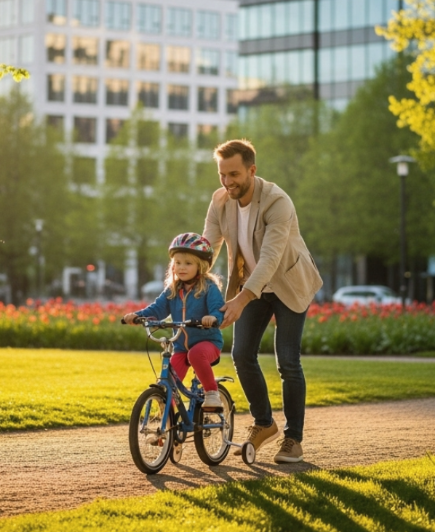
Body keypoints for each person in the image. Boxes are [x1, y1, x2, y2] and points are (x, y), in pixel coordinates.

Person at [203, 139, 322, 464]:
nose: (227, 181)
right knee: (242, 354)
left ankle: (293, 439)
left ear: (252, 170)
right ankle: (264, 422)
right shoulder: (220, 201)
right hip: (251, 284)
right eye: (222, 174)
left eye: (234, 174)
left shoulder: (277, 202)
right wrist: (187, 278)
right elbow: (207, 249)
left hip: (288, 283)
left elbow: (270, 259)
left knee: (288, 361)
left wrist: (240, 300)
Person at [123, 233, 225, 411]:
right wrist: (137, 316)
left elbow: (218, 308)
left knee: (195, 355)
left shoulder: (209, 287)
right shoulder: (173, 290)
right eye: (177, 263)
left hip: (208, 344)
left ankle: (211, 393)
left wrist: (213, 317)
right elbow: (156, 309)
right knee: (167, 382)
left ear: (201, 266)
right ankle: (166, 420)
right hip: (181, 348)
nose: (181, 267)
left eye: (188, 263)